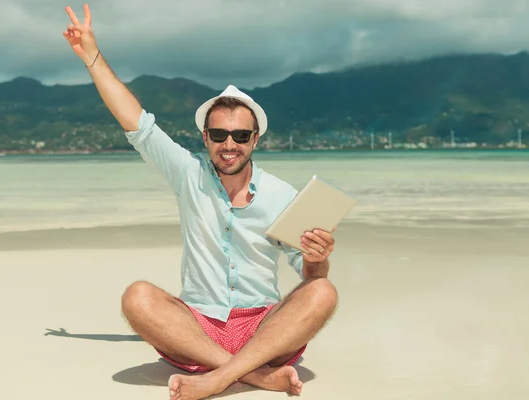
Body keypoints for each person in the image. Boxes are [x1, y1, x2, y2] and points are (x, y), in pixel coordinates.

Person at [63, 4, 338, 400]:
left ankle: (217, 377)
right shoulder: (187, 174)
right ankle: (256, 376)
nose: (230, 145)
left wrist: (318, 256)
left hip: (265, 327)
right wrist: (92, 56)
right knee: (136, 296)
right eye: (220, 135)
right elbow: (137, 124)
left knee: (325, 291)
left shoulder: (282, 195)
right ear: (205, 138)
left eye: (241, 136)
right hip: (199, 327)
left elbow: (310, 279)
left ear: (255, 140)